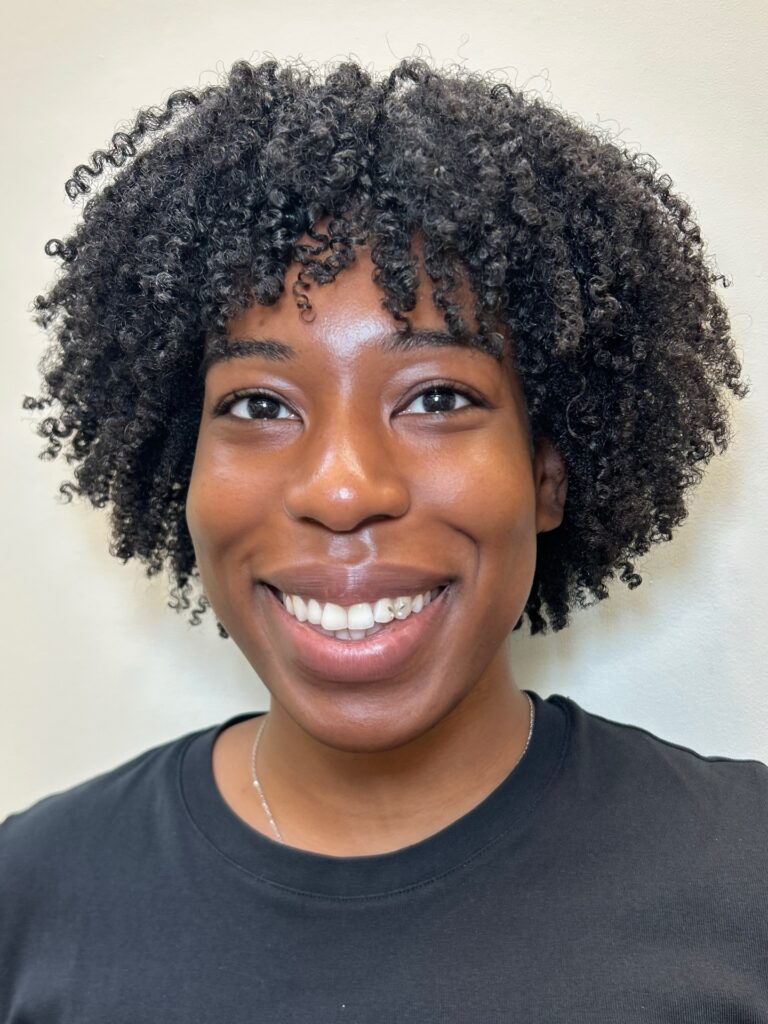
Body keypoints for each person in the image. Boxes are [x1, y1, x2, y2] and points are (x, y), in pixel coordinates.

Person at [1, 57, 765, 1022]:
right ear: (176, 465)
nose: (344, 487)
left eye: (439, 397)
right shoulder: (26, 907)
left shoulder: (747, 885)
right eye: (258, 403)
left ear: (549, 474)